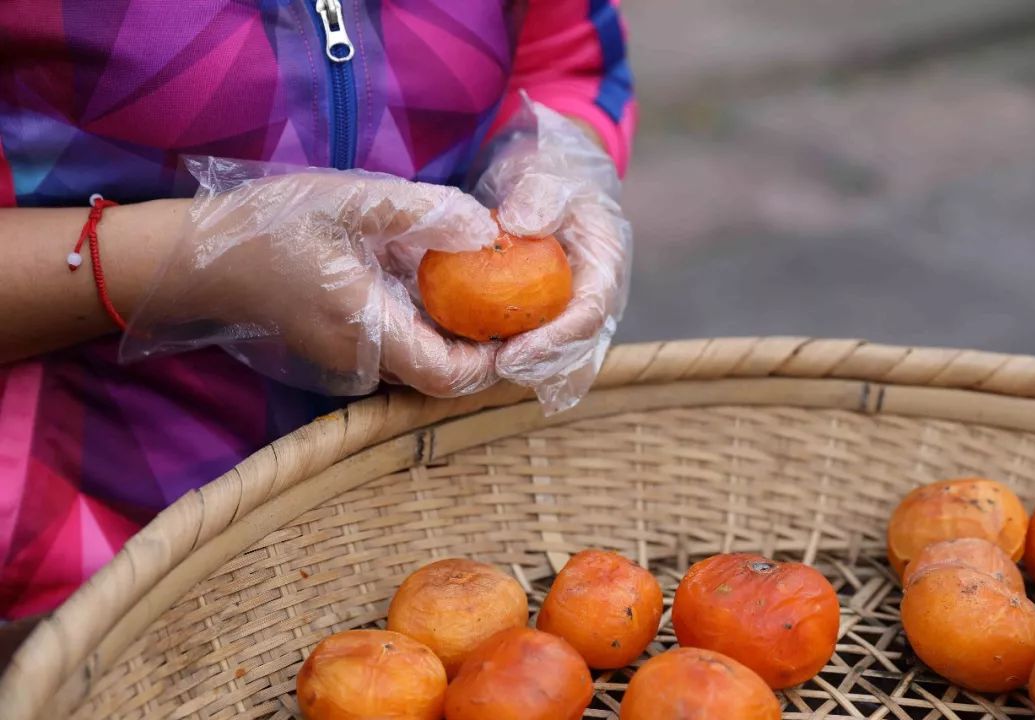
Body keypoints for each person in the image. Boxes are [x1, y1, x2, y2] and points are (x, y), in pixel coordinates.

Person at [0, 1, 635, 622]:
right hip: (88, 541)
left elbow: (561, 50)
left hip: (445, 504)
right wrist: (193, 259)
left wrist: (553, 153)